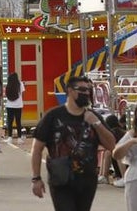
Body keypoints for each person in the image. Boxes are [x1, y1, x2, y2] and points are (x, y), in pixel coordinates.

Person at [30, 74, 117, 210]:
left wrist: (96, 123)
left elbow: (111, 145)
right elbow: (37, 148)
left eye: (88, 90)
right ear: (70, 91)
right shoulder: (53, 116)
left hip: (87, 181)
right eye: (81, 90)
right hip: (61, 179)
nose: (86, 93)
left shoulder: (94, 116)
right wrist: (36, 178)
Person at [4, 71, 25, 143]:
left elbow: (6, 94)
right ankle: (19, 138)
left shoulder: (8, 84)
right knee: (18, 121)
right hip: (18, 105)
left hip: (9, 105)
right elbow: (23, 94)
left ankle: (10, 137)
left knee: (10, 121)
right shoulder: (20, 84)